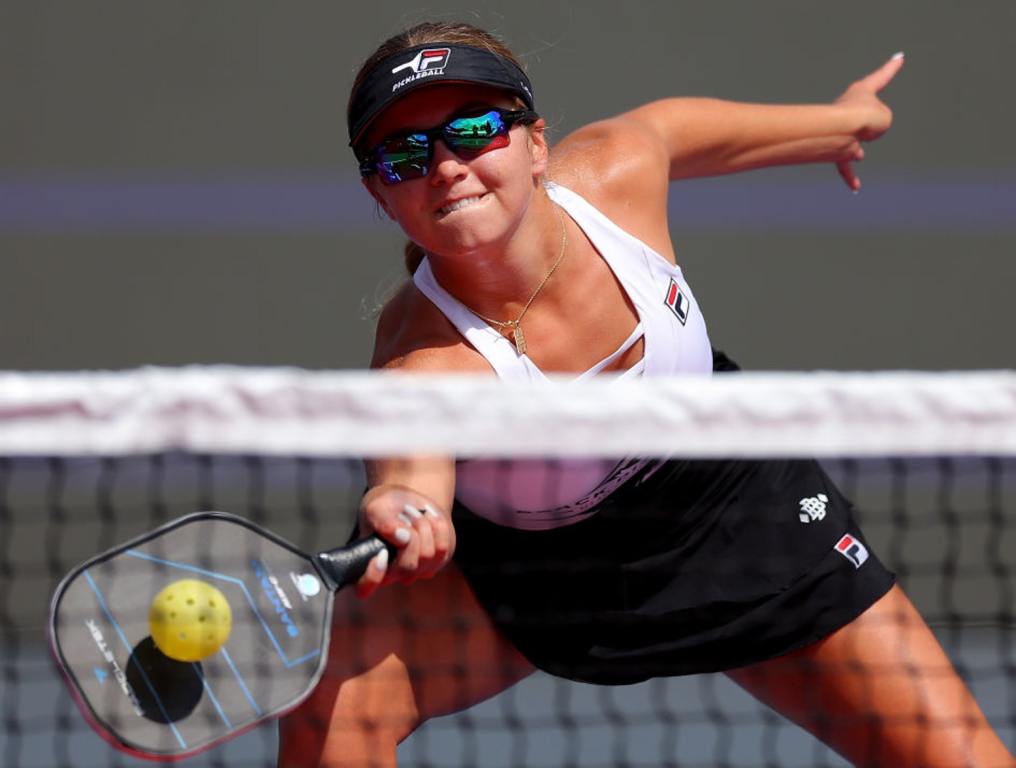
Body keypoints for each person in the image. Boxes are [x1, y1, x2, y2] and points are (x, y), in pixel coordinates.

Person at [279, 22, 1015, 768]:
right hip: (538, 574)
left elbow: (679, 130)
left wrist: (846, 122)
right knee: (333, 706)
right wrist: (407, 510)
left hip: (730, 510)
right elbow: (411, 474)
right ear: (380, 192)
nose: (445, 166)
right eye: (404, 154)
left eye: (473, 130)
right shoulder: (421, 363)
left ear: (536, 145)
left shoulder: (614, 176)